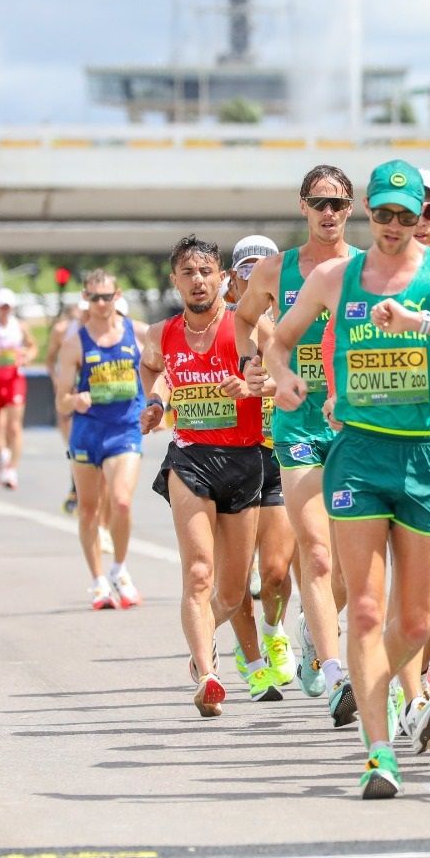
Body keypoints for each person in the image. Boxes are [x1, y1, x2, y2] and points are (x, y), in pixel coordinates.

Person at [266, 159, 430, 800]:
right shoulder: (333, 277)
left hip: (426, 453)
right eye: (386, 214)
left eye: (411, 215)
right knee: (366, 608)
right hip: (359, 455)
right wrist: (283, 379)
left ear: (427, 217)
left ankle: (373, 692)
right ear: (369, 213)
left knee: (416, 624)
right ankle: (378, 753)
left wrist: (421, 322)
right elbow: (279, 341)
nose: (397, 226)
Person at [234, 165, 360, 715]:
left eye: (337, 203)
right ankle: (337, 677)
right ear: (303, 207)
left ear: (351, 208)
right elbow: (242, 321)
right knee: (315, 550)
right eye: (318, 202)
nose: (328, 212)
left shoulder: (367, 269)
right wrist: (256, 368)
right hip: (298, 424)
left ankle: (316, 629)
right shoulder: (275, 271)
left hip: (357, 425)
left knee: (354, 564)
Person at [140, 236, 282, 717]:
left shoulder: (250, 326)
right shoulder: (162, 332)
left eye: (206, 272)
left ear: (223, 278)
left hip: (245, 461)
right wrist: (156, 402)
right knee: (198, 572)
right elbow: (155, 369)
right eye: (188, 273)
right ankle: (207, 675)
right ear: (175, 280)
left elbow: (281, 381)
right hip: (190, 457)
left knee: (231, 590)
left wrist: (252, 386)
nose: (198, 281)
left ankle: (202, 645)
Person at [228, 236, 298, 689]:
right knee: (235, 576)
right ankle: (248, 652)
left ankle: (274, 633)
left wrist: (270, 388)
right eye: (245, 271)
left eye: (262, 269)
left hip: (276, 452)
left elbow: (302, 378)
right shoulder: (219, 325)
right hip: (229, 456)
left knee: (275, 571)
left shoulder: (292, 322)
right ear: (234, 280)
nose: (255, 278)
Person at [52, 269, 145, 610]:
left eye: (107, 297)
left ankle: (120, 568)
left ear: (117, 295)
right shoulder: (74, 342)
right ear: (85, 298)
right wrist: (75, 400)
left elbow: (164, 362)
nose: (101, 304)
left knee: (121, 501)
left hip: (125, 429)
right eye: (95, 298)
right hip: (88, 432)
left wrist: (159, 400)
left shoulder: (136, 333)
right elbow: (61, 398)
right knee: (89, 510)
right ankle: (98, 581)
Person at [0, 288, 36, 489]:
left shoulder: (19, 326)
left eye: (8, 307)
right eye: (1, 307)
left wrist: (27, 356)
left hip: (14, 379)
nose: (4, 310)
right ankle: (2, 455)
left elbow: (32, 346)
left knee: (14, 426)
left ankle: (11, 468)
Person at [47, 302, 86, 513]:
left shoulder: (105, 330)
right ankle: (75, 489)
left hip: (94, 394)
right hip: (70, 394)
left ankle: (85, 491)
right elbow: (50, 360)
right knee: (74, 444)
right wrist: (58, 381)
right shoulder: (62, 330)